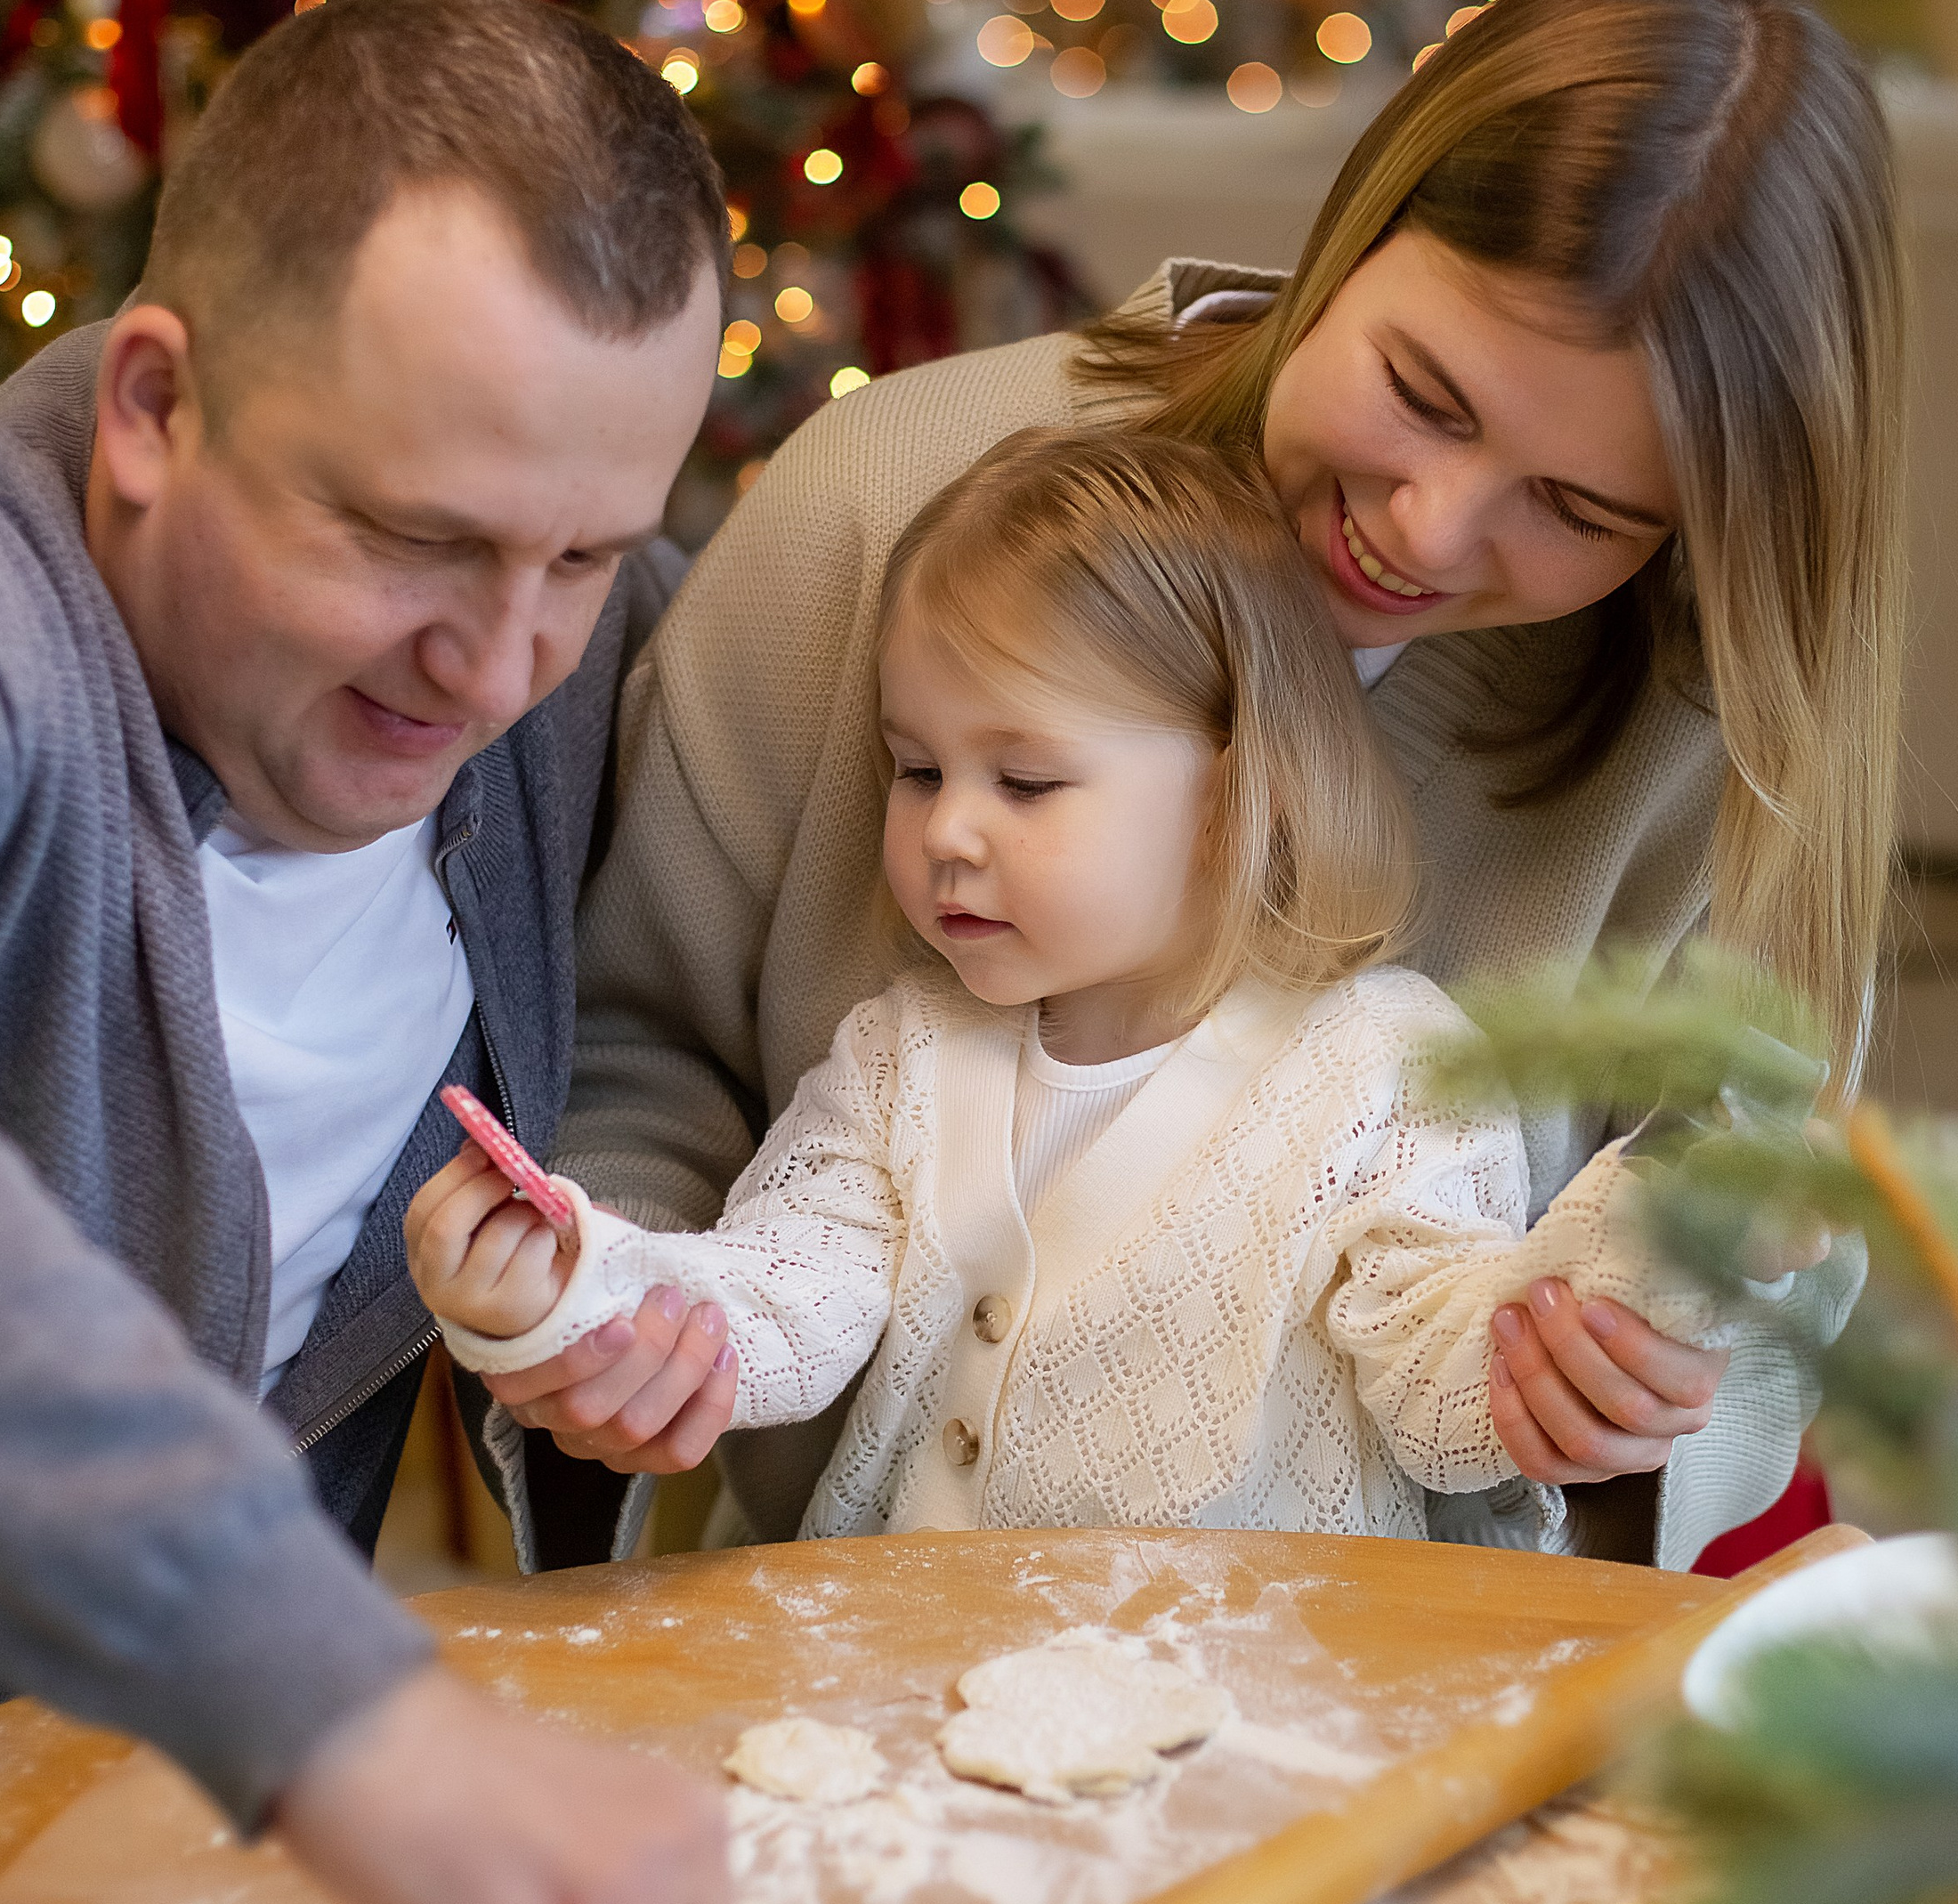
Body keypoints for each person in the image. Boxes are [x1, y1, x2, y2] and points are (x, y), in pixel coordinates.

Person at [498, 0, 1905, 1570]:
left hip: (1392, 1668)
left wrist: (1640, 1378)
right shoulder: (889, 499)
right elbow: (641, 1040)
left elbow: (1748, 1234)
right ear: (1353, 234)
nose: (1428, 530)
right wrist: (628, 1312)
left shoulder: (1711, 748)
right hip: (852, 1615)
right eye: (1422, 394)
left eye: (1580, 510)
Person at [0, 0, 779, 1904]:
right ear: (151, 406)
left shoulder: (576, 665)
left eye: (580, 556)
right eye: (412, 538)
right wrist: (347, 1713)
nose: (497, 668)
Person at [411, 433, 1722, 1545]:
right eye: (918, 770)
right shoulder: (901, 1060)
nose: (947, 832)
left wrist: (1620, 1280)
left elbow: (1440, 1381)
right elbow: (780, 1300)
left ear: (1234, 800)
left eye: (1025, 782)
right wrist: (577, 1297)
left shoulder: (1386, 1068)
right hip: (912, 1689)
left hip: (1255, 1716)